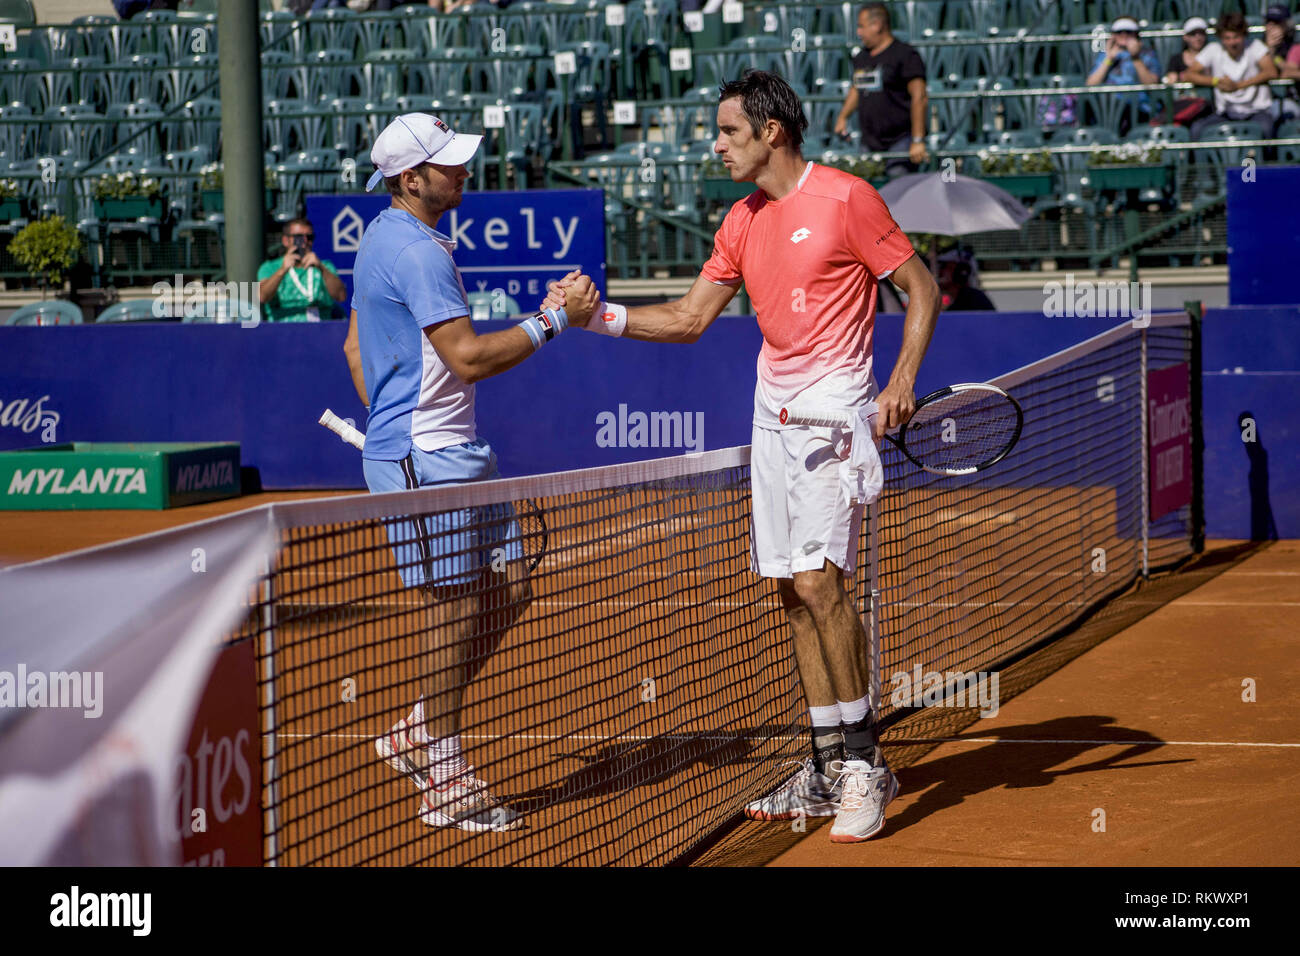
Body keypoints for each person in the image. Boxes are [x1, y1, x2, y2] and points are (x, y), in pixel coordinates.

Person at [547, 70, 940, 844]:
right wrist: (599, 319)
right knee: (788, 592)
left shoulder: (849, 198)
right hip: (772, 417)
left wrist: (900, 381)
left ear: (772, 132)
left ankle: (866, 763)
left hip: (833, 412)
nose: (716, 144)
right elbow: (692, 318)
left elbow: (921, 290)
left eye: (728, 131)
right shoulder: (741, 221)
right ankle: (827, 762)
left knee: (821, 583)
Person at [343, 113, 599, 831]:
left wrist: (392, 414)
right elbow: (467, 358)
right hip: (429, 456)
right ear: (408, 178)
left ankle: (417, 728)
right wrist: (554, 321)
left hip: (454, 451)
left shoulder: (391, 240)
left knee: (509, 584)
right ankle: (445, 776)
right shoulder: (417, 252)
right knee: (452, 609)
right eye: (446, 164)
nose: (462, 171)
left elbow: (355, 352)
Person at [834, 3, 929, 178]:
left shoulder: (905, 55)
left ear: (877, 25)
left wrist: (918, 140)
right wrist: (843, 117)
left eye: (861, 26)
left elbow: (920, 97)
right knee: (866, 191)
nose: (858, 32)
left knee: (898, 187)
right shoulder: (861, 57)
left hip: (901, 140)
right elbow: (857, 88)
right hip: (869, 141)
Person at [1184, 11, 1279, 138]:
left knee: (1266, 130)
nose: (1232, 42)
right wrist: (1216, 81)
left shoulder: (1255, 46)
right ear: (1221, 38)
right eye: (1227, 38)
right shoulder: (1214, 49)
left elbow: (1271, 72)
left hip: (1256, 112)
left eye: (1236, 37)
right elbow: (1189, 74)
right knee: (1197, 130)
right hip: (1225, 113)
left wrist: (1239, 85)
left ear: (1244, 35)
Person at [257, 219, 348, 322]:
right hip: (283, 331)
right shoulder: (270, 267)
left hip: (321, 329)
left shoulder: (325, 266)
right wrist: (282, 270)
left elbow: (341, 296)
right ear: (285, 241)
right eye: (298, 238)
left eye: (309, 238)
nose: (304, 242)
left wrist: (321, 268)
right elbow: (262, 296)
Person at [1085, 16, 1163, 135]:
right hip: (1109, 109)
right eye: (1119, 32)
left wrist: (1135, 58)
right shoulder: (1105, 55)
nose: (1124, 35)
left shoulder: (1147, 54)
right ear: (1113, 35)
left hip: (1139, 108)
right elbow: (1090, 84)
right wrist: (1109, 59)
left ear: (1136, 34)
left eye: (1129, 32)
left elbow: (1151, 84)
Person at [1264, 4, 1300, 125]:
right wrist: (1269, 49)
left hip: (1287, 99)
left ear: (1286, 25)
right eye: (1268, 22)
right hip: (1260, 101)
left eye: (1276, 23)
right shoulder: (1255, 46)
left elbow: (1286, 73)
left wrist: (1274, 55)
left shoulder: (1294, 47)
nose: (1271, 26)